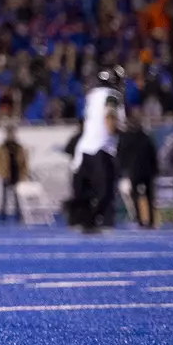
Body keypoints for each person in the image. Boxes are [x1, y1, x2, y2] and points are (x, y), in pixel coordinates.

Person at [70, 67, 124, 233]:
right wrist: (117, 129)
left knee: (85, 191)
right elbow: (110, 117)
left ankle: (82, 220)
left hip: (84, 148)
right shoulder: (112, 95)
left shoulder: (92, 95)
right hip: (102, 148)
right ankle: (99, 220)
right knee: (105, 190)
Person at [116, 115, 158, 228]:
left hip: (133, 171)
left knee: (135, 195)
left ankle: (139, 219)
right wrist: (155, 170)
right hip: (147, 170)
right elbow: (153, 155)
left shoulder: (125, 137)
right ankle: (150, 220)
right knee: (149, 195)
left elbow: (120, 155)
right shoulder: (146, 137)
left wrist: (121, 170)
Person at [0, 125, 28, 222]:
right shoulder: (2, 147)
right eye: (9, 133)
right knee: (4, 197)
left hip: (16, 174)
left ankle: (18, 215)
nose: (11, 135)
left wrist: (23, 173)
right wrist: (1, 173)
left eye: (12, 133)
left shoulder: (19, 147)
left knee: (17, 198)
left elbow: (24, 161)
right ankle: (3, 216)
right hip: (6, 174)